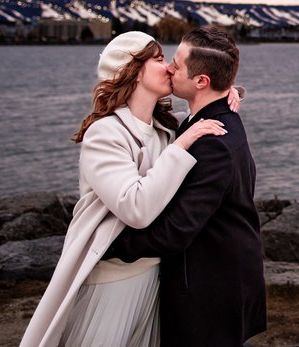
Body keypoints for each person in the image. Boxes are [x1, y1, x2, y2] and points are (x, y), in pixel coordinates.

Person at [20, 31, 231, 347]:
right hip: (113, 279)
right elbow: (136, 209)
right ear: (131, 70)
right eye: (159, 60)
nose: (170, 68)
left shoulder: (164, 129)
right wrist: (184, 144)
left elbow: (200, 111)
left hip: (155, 276)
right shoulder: (104, 134)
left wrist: (227, 93)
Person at [105, 26, 267, 346]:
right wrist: (233, 89)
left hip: (211, 291)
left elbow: (176, 230)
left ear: (201, 82)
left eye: (177, 64)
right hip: (219, 278)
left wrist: (110, 246)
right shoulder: (204, 119)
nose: (169, 68)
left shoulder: (213, 142)